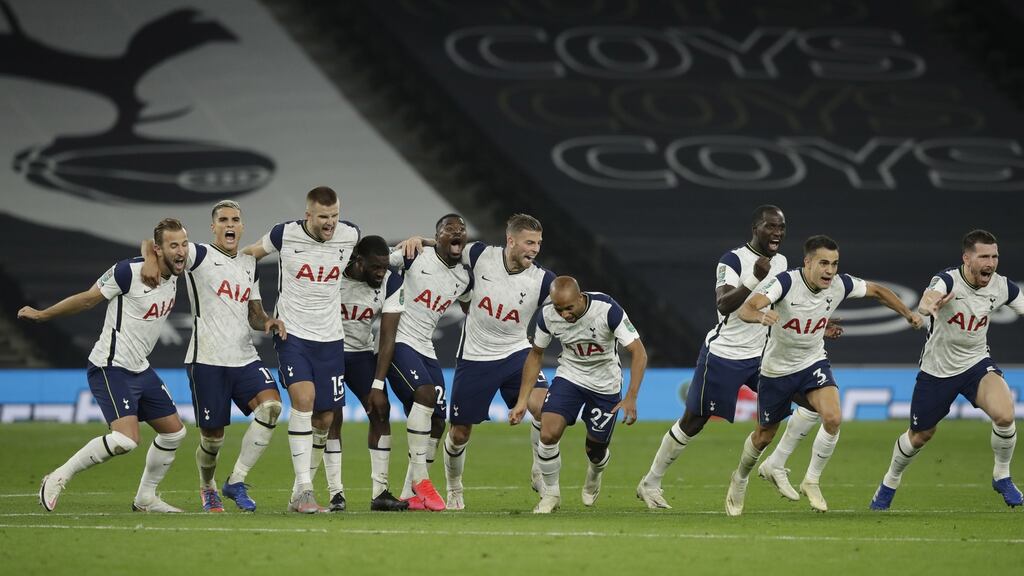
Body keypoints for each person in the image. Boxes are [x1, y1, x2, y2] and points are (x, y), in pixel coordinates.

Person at [638, 205, 828, 509]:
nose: (777, 232)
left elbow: (783, 302)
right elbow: (724, 303)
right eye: (771, 226)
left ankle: (775, 464)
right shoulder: (733, 260)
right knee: (694, 421)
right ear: (756, 228)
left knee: (812, 402)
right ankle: (650, 482)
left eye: (781, 227)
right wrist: (752, 280)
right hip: (725, 355)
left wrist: (820, 323)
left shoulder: (780, 262)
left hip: (763, 356)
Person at [724, 235, 923, 516]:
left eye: (835, 264)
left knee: (832, 417)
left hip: (812, 362)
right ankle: (741, 477)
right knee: (764, 436)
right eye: (824, 263)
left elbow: (878, 291)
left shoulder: (840, 285)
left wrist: (907, 313)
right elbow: (746, 307)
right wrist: (760, 317)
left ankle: (811, 480)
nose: (830, 270)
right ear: (807, 263)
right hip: (776, 371)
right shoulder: (784, 282)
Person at [22, 218, 190, 513]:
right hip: (110, 367)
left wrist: (152, 255)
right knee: (126, 440)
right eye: (173, 245)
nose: (181, 251)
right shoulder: (128, 273)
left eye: (184, 244)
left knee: (174, 432)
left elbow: (153, 246)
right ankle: (58, 476)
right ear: (159, 248)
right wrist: (42, 315)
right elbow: (88, 300)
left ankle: (146, 498)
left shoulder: (179, 267)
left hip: (140, 367)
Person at [140, 200, 286, 513]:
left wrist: (267, 322)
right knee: (212, 440)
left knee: (272, 407)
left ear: (242, 226)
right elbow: (160, 243)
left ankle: (236, 480)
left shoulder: (249, 263)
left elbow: (254, 313)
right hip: (207, 360)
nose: (229, 224)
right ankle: (208, 487)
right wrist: (150, 257)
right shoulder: (199, 254)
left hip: (245, 357)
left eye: (235, 219)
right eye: (223, 220)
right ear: (213, 227)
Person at [870, 229, 1024, 510]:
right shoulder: (948, 280)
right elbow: (929, 297)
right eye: (984, 257)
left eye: (995, 256)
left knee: (1004, 415)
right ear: (967, 258)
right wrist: (928, 306)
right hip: (937, 371)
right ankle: (889, 482)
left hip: (976, 363)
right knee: (919, 436)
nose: (990, 263)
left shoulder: (1002, 286)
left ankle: (1002, 476)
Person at [242, 186, 360, 513]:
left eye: (334, 216)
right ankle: (307, 490)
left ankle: (298, 492)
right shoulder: (284, 234)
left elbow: (375, 258)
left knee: (324, 418)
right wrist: (261, 311)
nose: (330, 223)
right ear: (308, 214)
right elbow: (248, 256)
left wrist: (419, 243)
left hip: (332, 339)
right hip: (292, 334)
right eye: (323, 217)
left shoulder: (350, 235)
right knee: (304, 400)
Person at [443, 214, 555, 509]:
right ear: (510, 241)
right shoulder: (481, 255)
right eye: (529, 242)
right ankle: (454, 487)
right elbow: (446, 248)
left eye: (539, 243)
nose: (535, 249)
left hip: (517, 354)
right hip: (475, 356)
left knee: (545, 409)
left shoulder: (542, 281)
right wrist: (421, 242)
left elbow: (571, 302)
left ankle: (538, 472)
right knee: (459, 433)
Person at [510, 276, 647, 513]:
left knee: (595, 450)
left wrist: (631, 396)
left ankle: (594, 475)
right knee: (549, 432)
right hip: (570, 376)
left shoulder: (607, 309)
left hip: (605, 384)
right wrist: (522, 401)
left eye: (569, 308)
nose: (563, 314)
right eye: (558, 308)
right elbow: (536, 354)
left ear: (580, 297)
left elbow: (639, 352)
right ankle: (551, 495)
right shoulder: (547, 315)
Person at [318, 235, 408, 512]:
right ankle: (336, 493)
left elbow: (388, 337)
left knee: (381, 410)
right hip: (328, 351)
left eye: (384, 267)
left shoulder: (391, 281)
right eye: (376, 268)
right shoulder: (333, 273)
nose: (381, 273)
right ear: (358, 262)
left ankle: (380, 492)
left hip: (361, 354)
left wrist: (378, 384)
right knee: (332, 416)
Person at [388, 214, 470, 511]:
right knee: (424, 394)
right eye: (449, 229)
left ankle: (409, 493)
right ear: (437, 235)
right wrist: (415, 242)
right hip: (396, 341)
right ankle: (420, 480)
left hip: (425, 346)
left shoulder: (464, 277)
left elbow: (472, 306)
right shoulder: (413, 255)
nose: (457, 233)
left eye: (461, 230)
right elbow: (374, 263)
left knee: (438, 419)